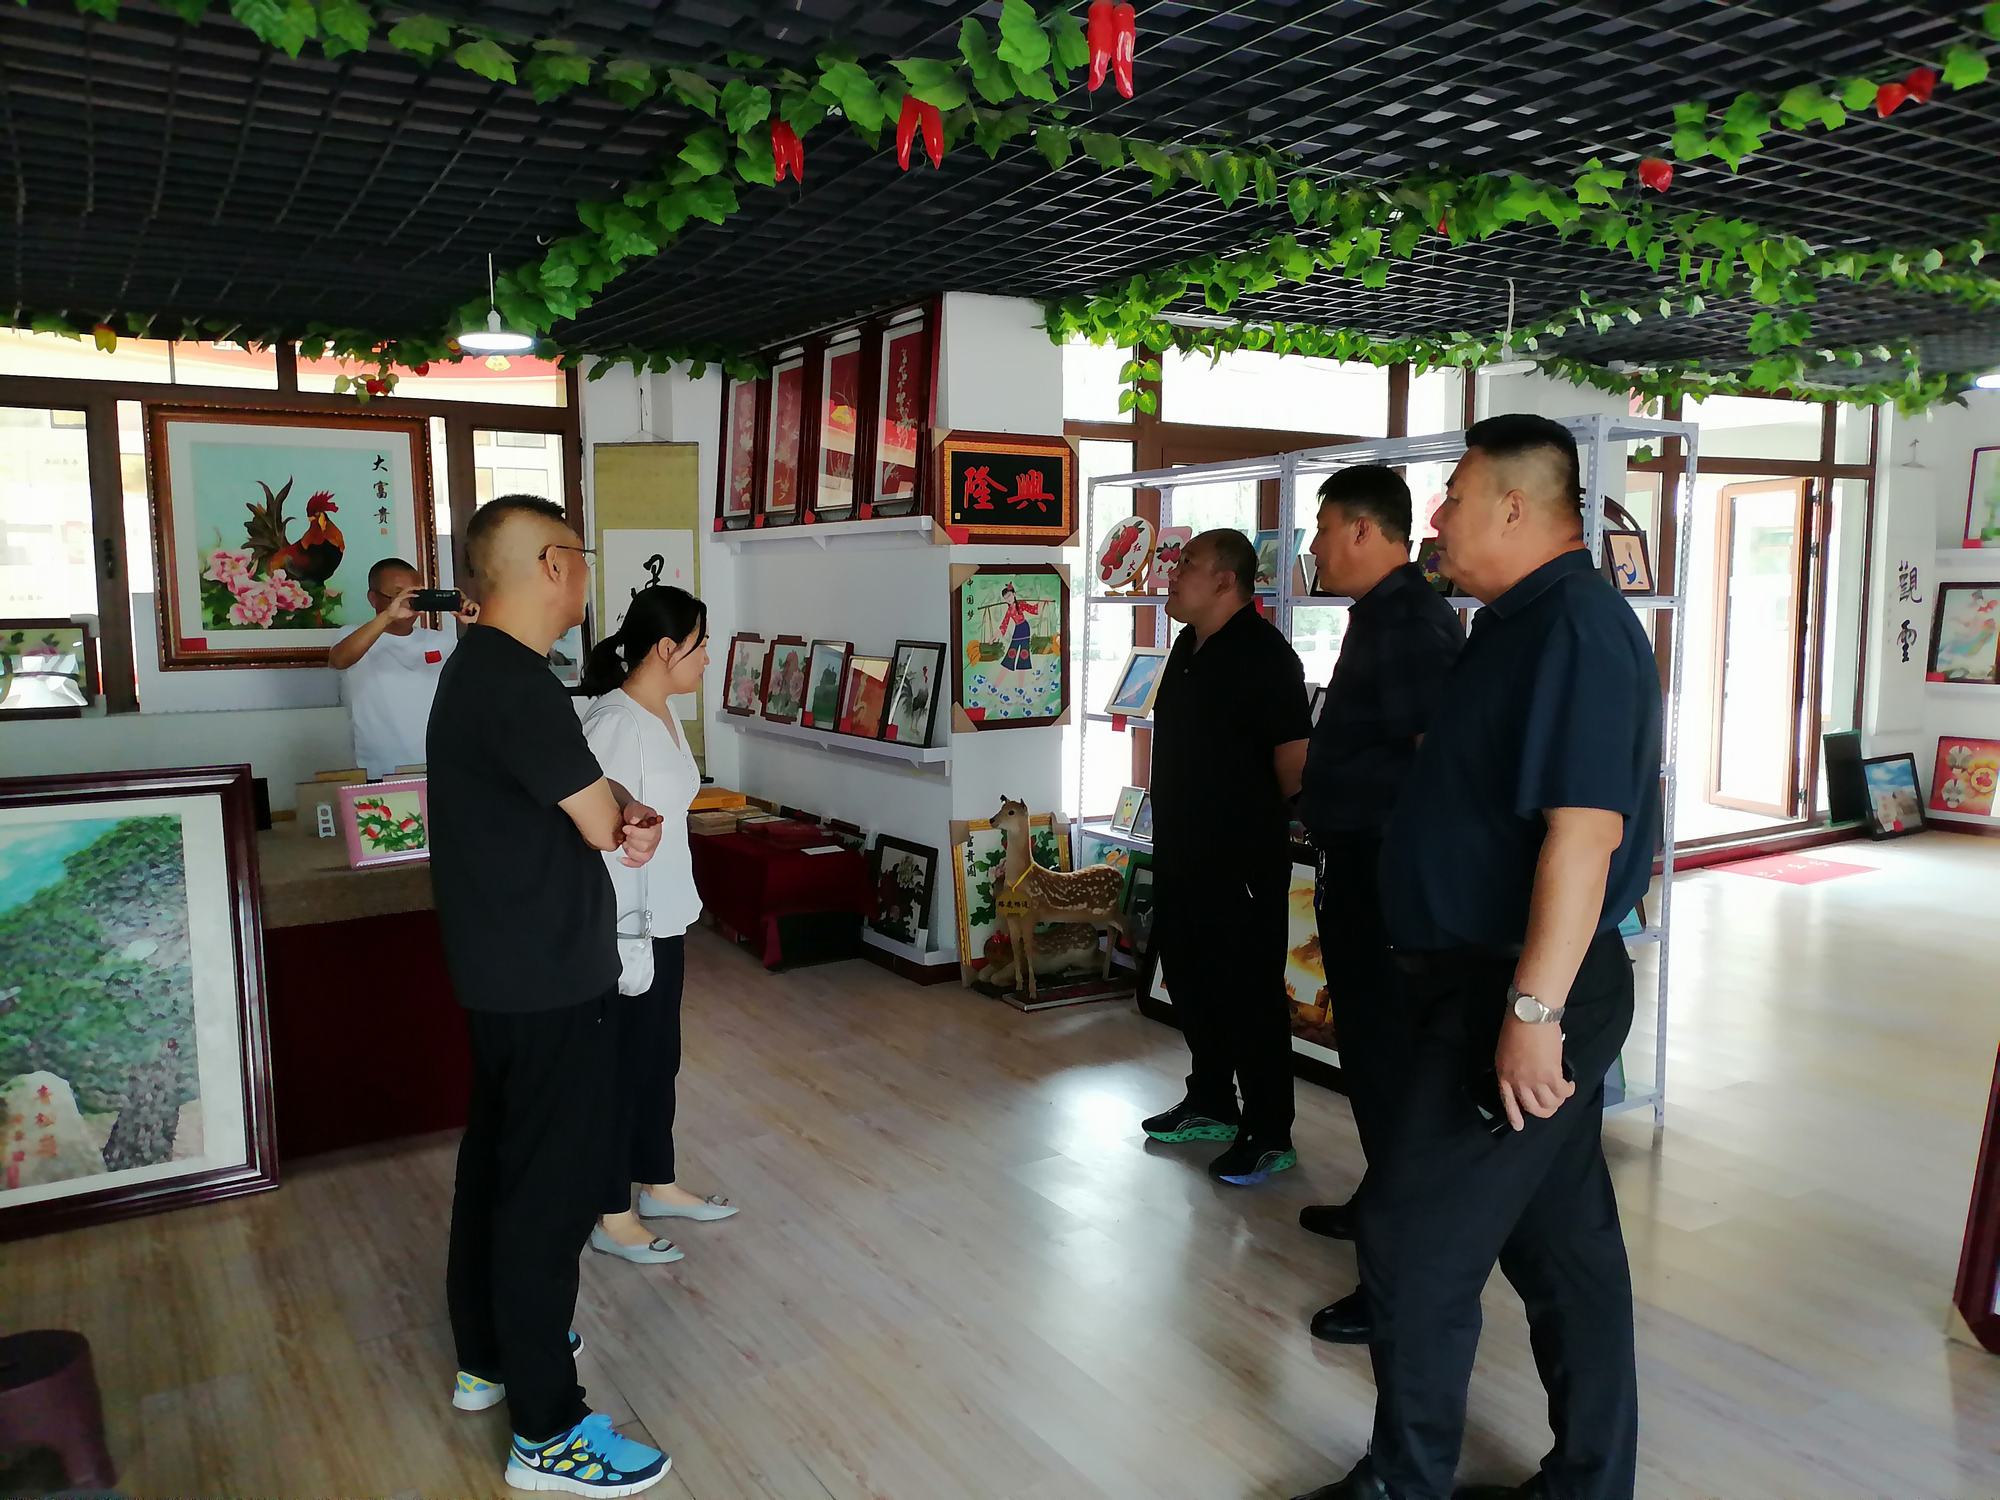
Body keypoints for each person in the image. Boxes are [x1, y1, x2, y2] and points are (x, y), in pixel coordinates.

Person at [1292, 416, 1659, 1500]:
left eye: (1452, 497)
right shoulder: (1509, 623)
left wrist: (1532, 1013)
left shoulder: (1576, 629)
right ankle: (1591, 1479)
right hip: (1484, 978)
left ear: (1511, 504)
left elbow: (1583, 838)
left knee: (1408, 1236)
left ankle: (1405, 1483)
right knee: (1562, 1247)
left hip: (1521, 986)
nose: (1437, 520)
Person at [429, 495, 672, 1497]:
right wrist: (623, 818)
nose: (587, 573)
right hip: (546, 978)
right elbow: (595, 818)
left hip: (505, 973)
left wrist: (623, 809)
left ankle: (488, 1355)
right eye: (579, 553)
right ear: (548, 565)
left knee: (499, 1166)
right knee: (546, 1194)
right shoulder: (516, 681)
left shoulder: (483, 669)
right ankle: (548, 1431)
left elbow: (589, 798)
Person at [1295, 466, 1464, 1345]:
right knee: (1367, 1058)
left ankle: (1402, 1277)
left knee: (1393, 1072)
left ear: (1364, 530)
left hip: (1387, 882)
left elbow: (1439, 762)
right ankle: (1381, 1206)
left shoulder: (1407, 622)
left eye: (1323, 529)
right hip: (1360, 870)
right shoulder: (1379, 615)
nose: (1315, 547)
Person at [1143, 528, 1313, 1184]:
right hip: (1182, 852)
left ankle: (1269, 1131)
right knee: (1190, 978)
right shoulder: (1188, 645)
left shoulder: (1266, 657)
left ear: (1224, 580)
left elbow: (1293, 764)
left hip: (1241, 862)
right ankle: (1211, 1099)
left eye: (1186, 564)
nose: (1172, 572)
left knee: (1248, 995)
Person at [577, 586, 740, 1267]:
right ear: (666, 648)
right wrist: (619, 932)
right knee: (621, 1069)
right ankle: (611, 1215)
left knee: (657, 1059)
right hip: (624, 929)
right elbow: (593, 831)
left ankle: (658, 1182)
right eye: (700, 646)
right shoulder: (615, 722)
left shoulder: (662, 711)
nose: (708, 659)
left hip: (664, 916)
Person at [328, 557, 476, 779]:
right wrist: (388, 616)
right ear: (373, 598)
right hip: (379, 770)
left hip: (440, 765)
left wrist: (476, 627)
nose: (407, 602)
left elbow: (482, 680)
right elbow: (339, 660)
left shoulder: (442, 641)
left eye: (414, 594)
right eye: (398, 594)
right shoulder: (352, 635)